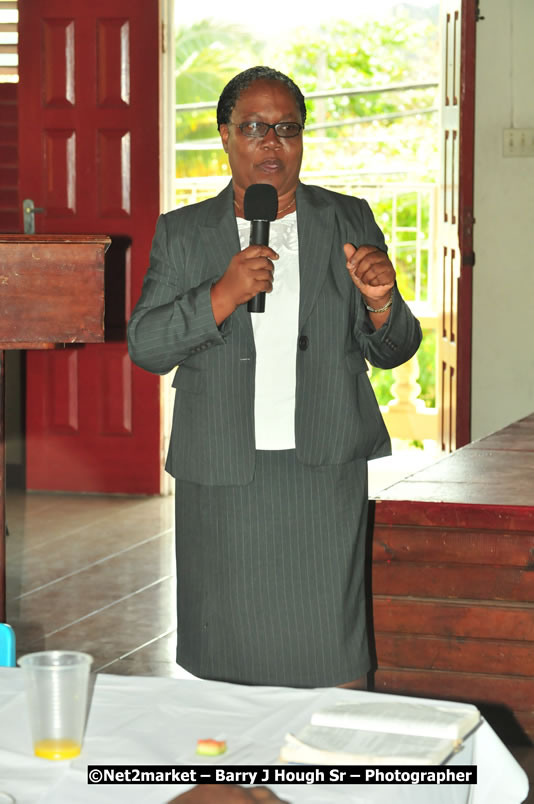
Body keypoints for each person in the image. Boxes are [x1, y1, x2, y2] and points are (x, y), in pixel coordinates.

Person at [127, 66, 421, 689]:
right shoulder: (184, 232)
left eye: (286, 128)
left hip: (322, 464)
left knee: (331, 644)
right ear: (226, 136)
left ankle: (335, 775)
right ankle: (238, 781)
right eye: (255, 127)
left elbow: (394, 350)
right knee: (228, 649)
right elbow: (147, 347)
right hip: (224, 468)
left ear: (302, 140)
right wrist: (220, 296)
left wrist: (380, 302)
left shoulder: (348, 219)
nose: (271, 143)